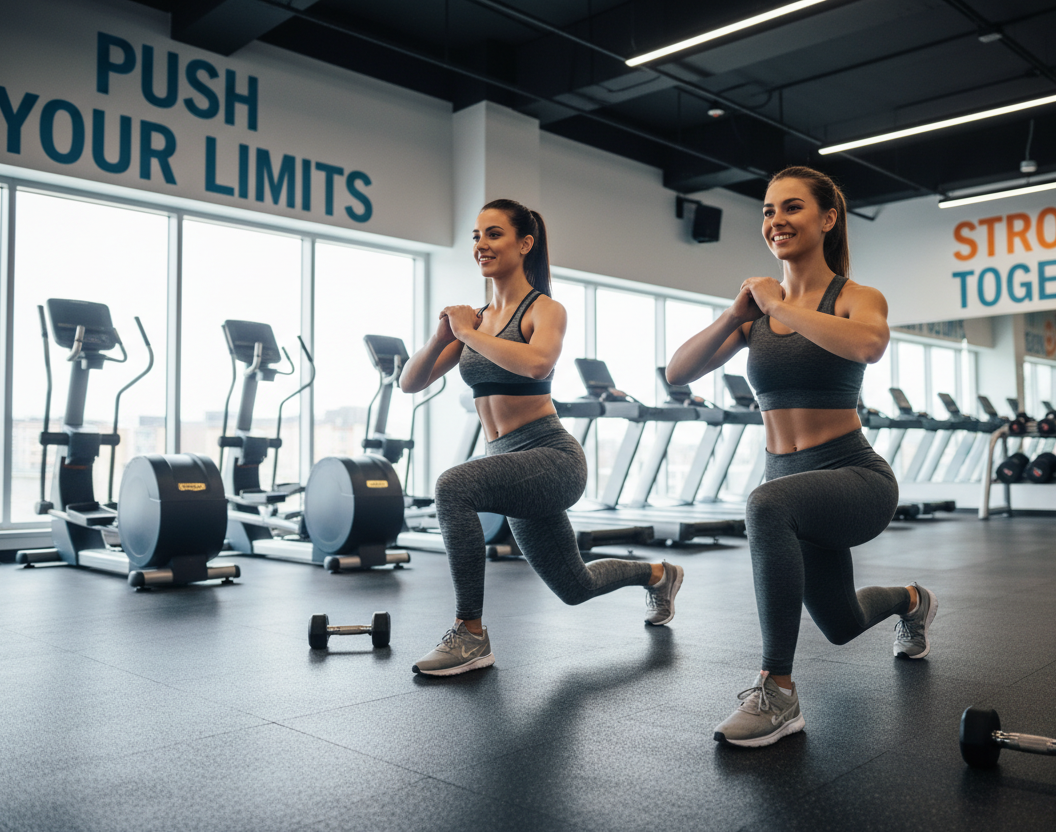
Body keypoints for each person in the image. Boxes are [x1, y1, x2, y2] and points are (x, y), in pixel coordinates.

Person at [665, 167, 937, 747]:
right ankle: (913, 601)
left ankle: (778, 692)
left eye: (791, 208)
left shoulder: (856, 298)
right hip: (791, 483)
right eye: (767, 210)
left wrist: (779, 305)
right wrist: (737, 313)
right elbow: (677, 372)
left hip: (854, 477)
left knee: (764, 505)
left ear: (828, 218)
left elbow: (868, 344)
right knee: (839, 625)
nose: (776, 221)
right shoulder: (759, 311)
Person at [399, 198, 684, 676]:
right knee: (574, 587)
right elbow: (410, 382)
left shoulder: (544, 309)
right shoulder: (478, 320)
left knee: (452, 486)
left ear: (524, 244)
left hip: (550, 458)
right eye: (475, 236)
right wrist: (441, 336)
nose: (480, 245)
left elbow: (537, 363)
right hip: (510, 464)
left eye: (493, 234)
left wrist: (468, 334)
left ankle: (470, 634)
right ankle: (659, 574)